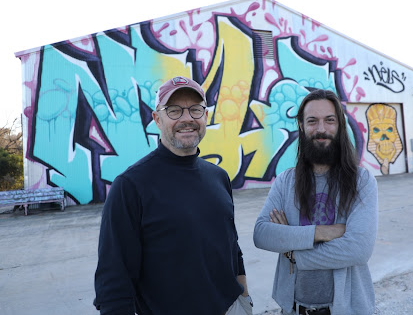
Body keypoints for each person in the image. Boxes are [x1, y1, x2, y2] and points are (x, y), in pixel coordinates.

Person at [94, 76, 252, 314]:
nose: (187, 118)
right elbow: (114, 278)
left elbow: (232, 246)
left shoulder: (218, 177)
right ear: (157, 119)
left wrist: (244, 298)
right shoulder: (130, 186)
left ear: (205, 117)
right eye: (174, 110)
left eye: (195, 110)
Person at [253, 89, 378, 315]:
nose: (321, 129)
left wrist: (292, 250)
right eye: (312, 121)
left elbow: (358, 249)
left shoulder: (362, 181)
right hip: (293, 309)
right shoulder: (285, 182)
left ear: (340, 124)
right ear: (301, 125)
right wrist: (321, 232)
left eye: (329, 120)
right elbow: (262, 234)